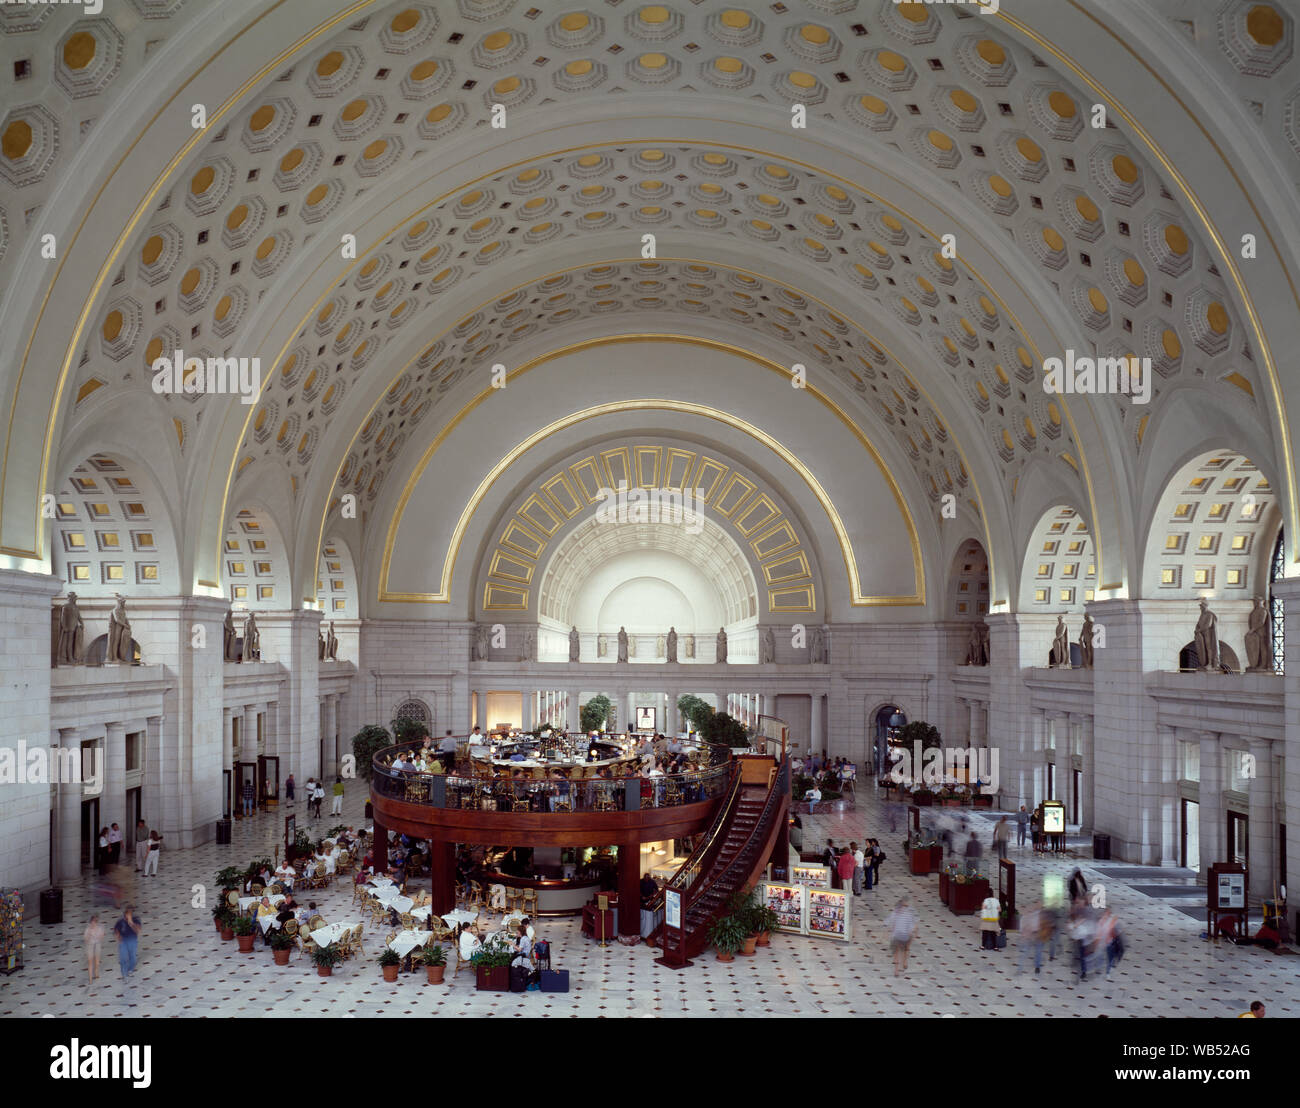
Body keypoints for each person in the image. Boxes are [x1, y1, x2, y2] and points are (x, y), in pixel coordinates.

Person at [885, 898, 916, 977]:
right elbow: (888, 923)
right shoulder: (894, 914)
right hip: (896, 936)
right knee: (896, 952)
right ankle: (896, 969)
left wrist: (911, 932)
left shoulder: (908, 915)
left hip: (905, 935)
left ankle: (904, 960)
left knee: (905, 949)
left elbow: (912, 926)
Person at [113, 905, 142, 980]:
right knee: (123, 958)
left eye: (130, 913)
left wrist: (131, 923)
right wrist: (119, 937)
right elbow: (116, 930)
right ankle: (124, 974)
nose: (128, 915)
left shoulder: (136, 920)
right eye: (127, 913)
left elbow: (137, 931)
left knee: (133, 958)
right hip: (124, 941)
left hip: (132, 941)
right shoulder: (120, 922)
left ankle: (130, 970)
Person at [84, 914, 105, 986]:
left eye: (95, 922)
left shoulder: (100, 928)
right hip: (90, 946)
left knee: (97, 963)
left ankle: (96, 972)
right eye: (92, 922)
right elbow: (86, 940)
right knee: (90, 962)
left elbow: (101, 937)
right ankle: (90, 979)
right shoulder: (87, 929)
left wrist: (98, 936)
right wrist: (89, 934)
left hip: (97, 945)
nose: (93, 923)